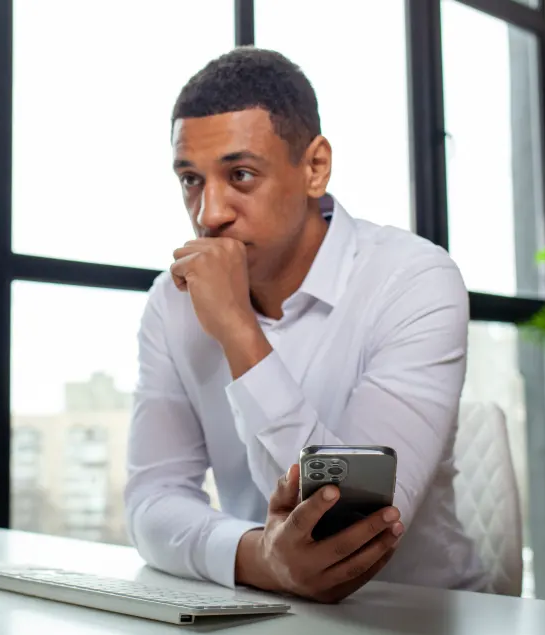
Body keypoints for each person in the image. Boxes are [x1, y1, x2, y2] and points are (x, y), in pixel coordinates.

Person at [124, 46, 486, 603]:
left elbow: (351, 526)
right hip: (263, 613)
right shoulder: (171, 302)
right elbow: (152, 499)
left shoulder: (414, 280)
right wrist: (259, 558)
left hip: (420, 621)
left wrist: (239, 331)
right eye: (191, 179)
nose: (209, 213)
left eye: (240, 175)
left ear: (315, 167)